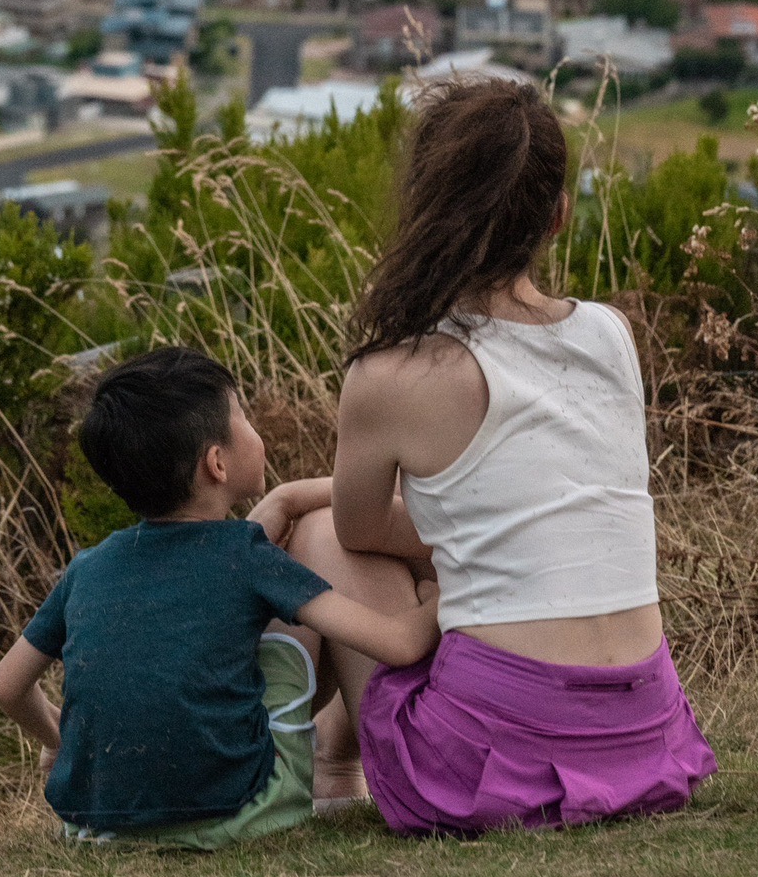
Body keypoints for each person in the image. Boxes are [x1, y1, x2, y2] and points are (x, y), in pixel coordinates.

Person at [265, 77, 717, 834]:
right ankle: (337, 760)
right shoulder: (610, 334)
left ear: (426, 210)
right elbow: (529, 518)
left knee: (320, 537)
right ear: (558, 215)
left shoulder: (392, 373)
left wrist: (295, 496)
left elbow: (360, 528)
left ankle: (330, 766)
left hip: (496, 766)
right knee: (449, 555)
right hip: (647, 740)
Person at [0, 345, 439, 848]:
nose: (254, 429)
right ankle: (332, 762)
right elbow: (399, 644)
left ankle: (330, 759)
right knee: (300, 602)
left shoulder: (88, 568)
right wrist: (438, 588)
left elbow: (7, 687)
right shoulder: (244, 557)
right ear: (217, 463)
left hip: (99, 824)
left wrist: (63, 741)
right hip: (240, 813)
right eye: (243, 415)